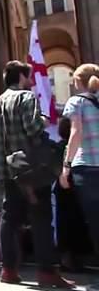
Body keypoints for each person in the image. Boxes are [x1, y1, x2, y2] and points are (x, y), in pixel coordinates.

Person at [0, 61, 74, 288]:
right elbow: (33, 129)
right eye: (29, 76)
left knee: (9, 218)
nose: (31, 80)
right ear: (22, 77)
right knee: (41, 218)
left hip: (7, 171)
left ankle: (8, 269)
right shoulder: (27, 98)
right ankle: (46, 271)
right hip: (31, 169)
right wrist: (42, 120)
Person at [60, 63, 99, 291]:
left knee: (95, 223)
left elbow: (76, 133)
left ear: (78, 81)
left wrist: (66, 165)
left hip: (86, 167)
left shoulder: (77, 101)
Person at [52, 116, 92, 272]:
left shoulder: (62, 147)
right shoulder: (66, 147)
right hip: (67, 188)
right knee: (70, 225)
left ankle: (73, 259)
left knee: (72, 225)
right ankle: (68, 259)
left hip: (70, 189)